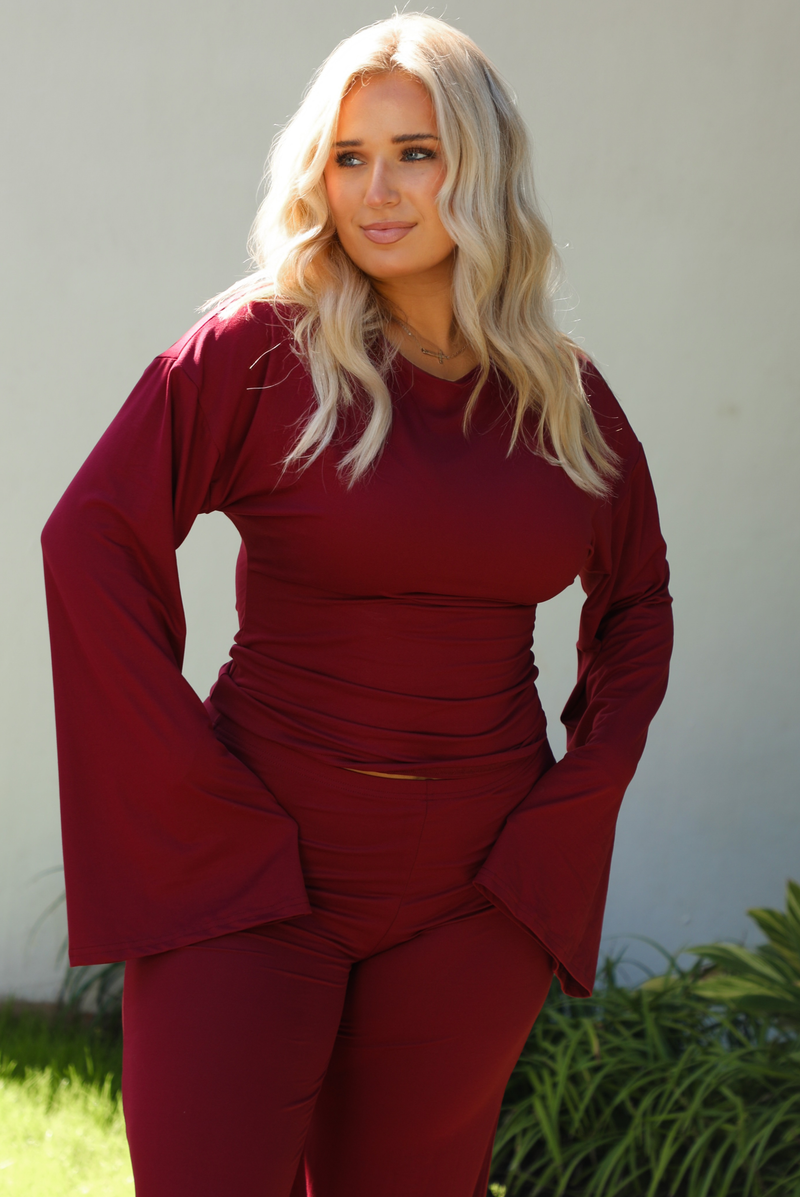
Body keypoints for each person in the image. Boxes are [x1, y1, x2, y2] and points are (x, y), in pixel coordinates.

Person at [41, 13, 673, 1197]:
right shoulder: (256, 352)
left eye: (415, 153)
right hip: (255, 868)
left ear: (477, 168)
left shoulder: (562, 397)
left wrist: (570, 804)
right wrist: (185, 787)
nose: (376, 190)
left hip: (471, 896)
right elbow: (91, 540)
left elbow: (635, 599)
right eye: (347, 156)